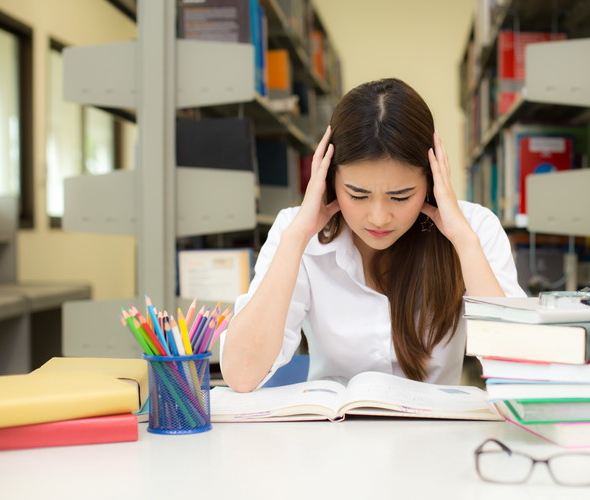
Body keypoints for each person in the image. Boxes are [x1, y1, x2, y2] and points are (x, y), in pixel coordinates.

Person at [221, 78, 526, 393]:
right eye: (357, 194)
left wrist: (463, 240)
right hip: (334, 436)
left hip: (436, 440)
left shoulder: (475, 227)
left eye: (401, 196)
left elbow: (518, 367)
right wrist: (296, 236)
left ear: (434, 180)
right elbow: (243, 374)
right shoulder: (297, 230)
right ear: (328, 178)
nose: (379, 217)